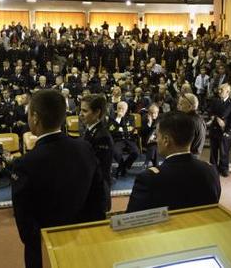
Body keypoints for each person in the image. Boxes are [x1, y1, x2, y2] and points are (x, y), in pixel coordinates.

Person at [8, 90, 104, 268]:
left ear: (35, 117)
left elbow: (26, 226)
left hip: (45, 252)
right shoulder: (85, 148)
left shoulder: (24, 164)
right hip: (83, 243)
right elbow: (98, 200)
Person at [126, 111, 221, 212]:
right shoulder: (210, 170)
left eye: (157, 136)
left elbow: (132, 218)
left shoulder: (149, 179)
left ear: (166, 140)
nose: (156, 140)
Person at [79, 94, 114, 212]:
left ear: (97, 112)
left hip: (97, 192)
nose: (80, 114)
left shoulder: (102, 136)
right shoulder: (90, 131)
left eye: (85, 111)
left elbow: (98, 169)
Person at [209, 83, 231, 177]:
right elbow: (211, 112)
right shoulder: (215, 101)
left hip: (225, 130)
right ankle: (213, 168)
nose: (219, 91)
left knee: (224, 151)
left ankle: (224, 168)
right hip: (215, 128)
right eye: (219, 89)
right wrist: (217, 118)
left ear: (228, 92)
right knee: (213, 150)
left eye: (222, 90)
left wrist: (227, 131)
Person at [108, 101, 139, 178]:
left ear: (127, 109)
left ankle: (124, 166)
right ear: (116, 109)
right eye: (119, 108)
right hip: (118, 140)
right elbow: (111, 129)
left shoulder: (131, 117)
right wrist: (118, 118)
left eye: (123, 108)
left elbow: (132, 129)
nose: (121, 110)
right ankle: (122, 167)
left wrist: (119, 129)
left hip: (129, 139)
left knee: (136, 152)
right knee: (116, 152)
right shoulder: (112, 117)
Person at [177, 93, 206, 158]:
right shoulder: (199, 118)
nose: (178, 107)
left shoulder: (188, 121)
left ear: (190, 107)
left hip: (189, 157)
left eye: (181, 104)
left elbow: (184, 144)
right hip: (194, 155)